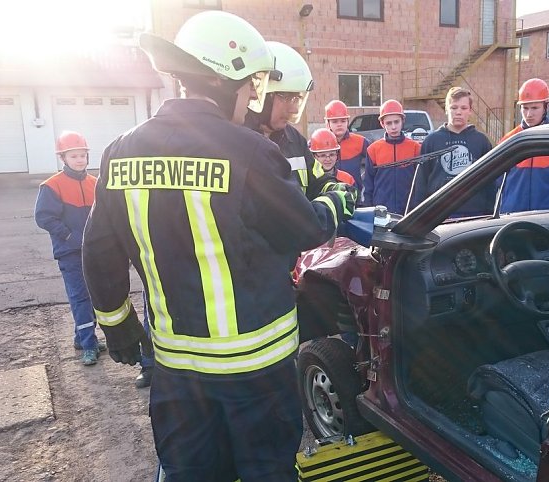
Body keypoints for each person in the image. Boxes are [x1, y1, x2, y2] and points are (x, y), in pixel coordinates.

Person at [81, 11, 353, 482]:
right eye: (250, 90)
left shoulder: (120, 150)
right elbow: (306, 229)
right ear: (227, 83)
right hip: (257, 371)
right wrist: (334, 198)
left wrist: (116, 322)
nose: (250, 102)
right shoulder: (247, 150)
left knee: (190, 473)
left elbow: (99, 250)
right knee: (267, 471)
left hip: (176, 370)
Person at [34, 131, 105, 366]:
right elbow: (44, 217)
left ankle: (81, 336)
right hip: (70, 252)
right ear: (63, 158)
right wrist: (70, 237)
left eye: (83, 155)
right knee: (80, 297)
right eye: (74, 156)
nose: (80, 160)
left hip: (92, 251)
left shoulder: (95, 183)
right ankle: (89, 344)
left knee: (93, 295)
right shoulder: (52, 186)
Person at [245, 41, 342, 201]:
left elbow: (320, 181)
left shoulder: (295, 140)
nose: (294, 109)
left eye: (296, 98)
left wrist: (337, 190)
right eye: (287, 98)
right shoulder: (238, 141)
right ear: (263, 95)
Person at [413, 87, 494, 216]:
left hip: (475, 213)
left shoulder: (481, 141)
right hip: (438, 213)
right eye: (454, 107)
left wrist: (491, 211)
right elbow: (421, 180)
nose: (458, 112)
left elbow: (491, 179)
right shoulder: (431, 141)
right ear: (446, 109)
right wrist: (418, 213)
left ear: (470, 111)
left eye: (463, 108)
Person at [499, 78, 549, 212]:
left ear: (547, 106)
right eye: (525, 108)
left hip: (548, 215)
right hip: (513, 215)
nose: (529, 114)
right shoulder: (508, 140)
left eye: (534, 108)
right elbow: (499, 181)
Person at [363, 99, 421, 214]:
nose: (393, 127)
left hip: (408, 210)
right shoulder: (373, 149)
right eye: (389, 123)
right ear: (382, 124)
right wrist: (368, 209)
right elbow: (368, 184)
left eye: (396, 122)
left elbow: (420, 182)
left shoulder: (415, 148)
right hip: (381, 210)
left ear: (402, 121)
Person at [325, 100, 370, 193]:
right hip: (328, 196)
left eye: (343, 120)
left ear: (348, 122)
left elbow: (376, 160)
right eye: (335, 121)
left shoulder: (360, 142)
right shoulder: (319, 143)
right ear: (327, 123)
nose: (339, 124)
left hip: (354, 195)